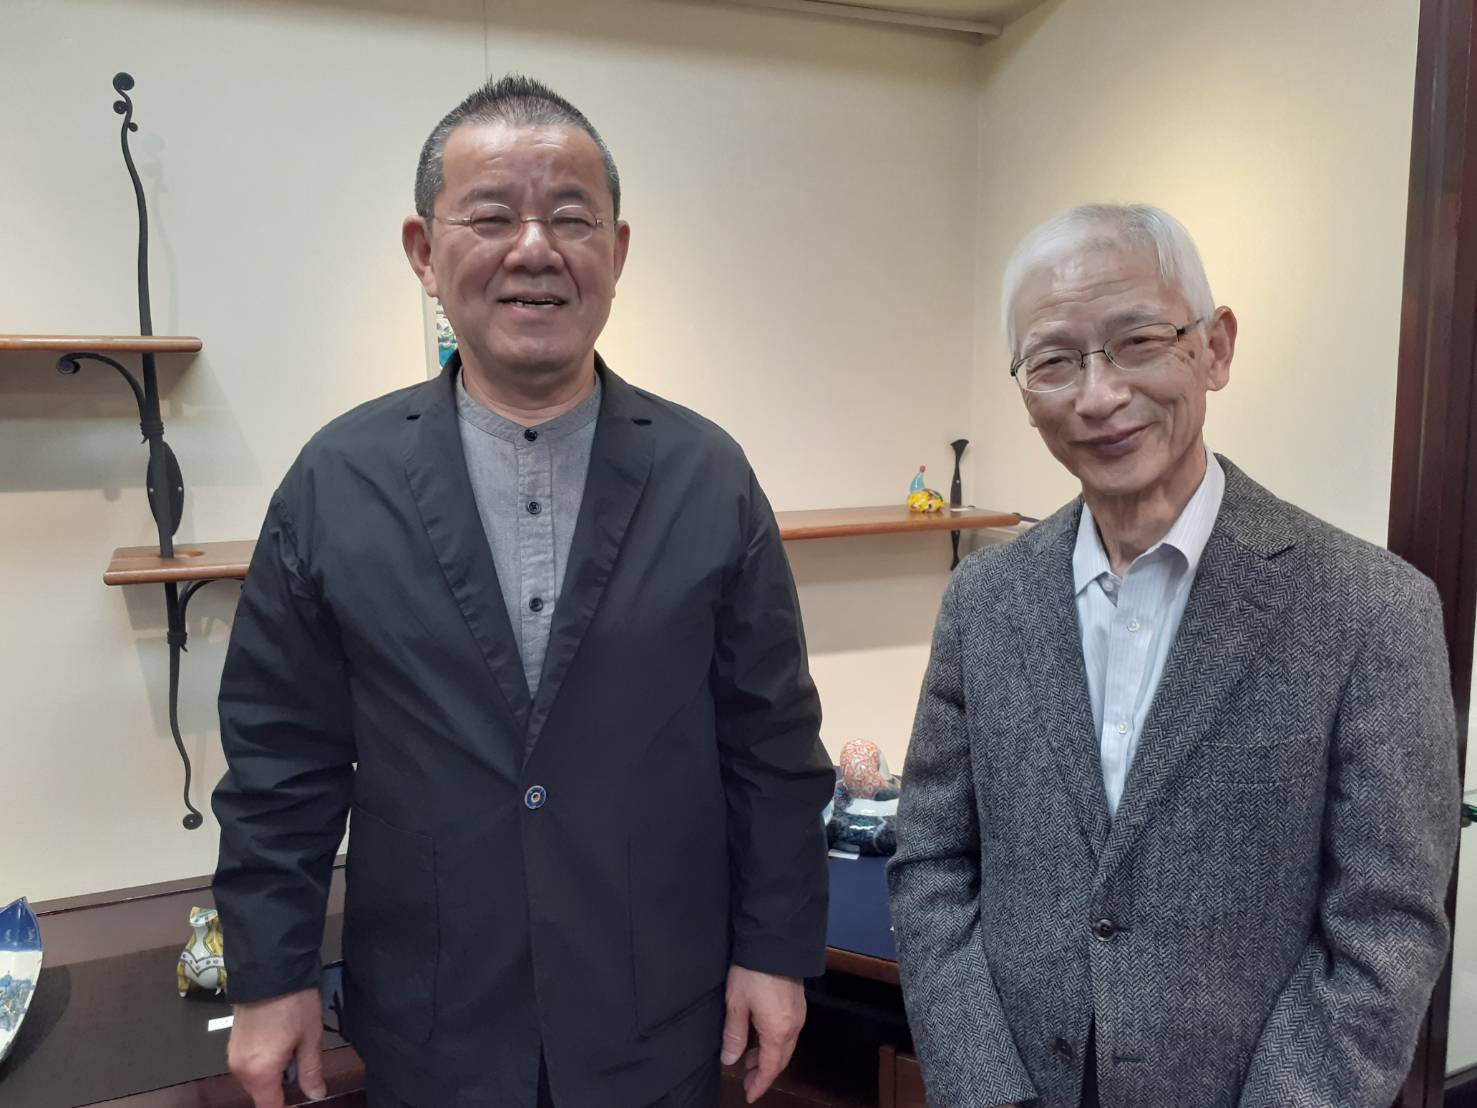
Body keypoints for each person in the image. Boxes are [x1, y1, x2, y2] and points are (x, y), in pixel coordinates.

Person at [212, 74, 833, 1108]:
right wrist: (270, 973)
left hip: (656, 1011)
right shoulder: (335, 481)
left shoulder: (707, 475)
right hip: (433, 1019)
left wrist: (774, 949)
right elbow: (282, 758)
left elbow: (769, 745)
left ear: (617, 252)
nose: (535, 248)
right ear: (423, 251)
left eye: (572, 218)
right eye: (492, 216)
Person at [888, 203, 1459, 1108]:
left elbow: (1383, 930)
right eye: (1054, 360)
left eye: (1137, 342)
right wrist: (985, 1090)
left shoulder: (1368, 609)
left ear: (1214, 348)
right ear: (1024, 390)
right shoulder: (984, 600)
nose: (1098, 395)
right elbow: (930, 865)